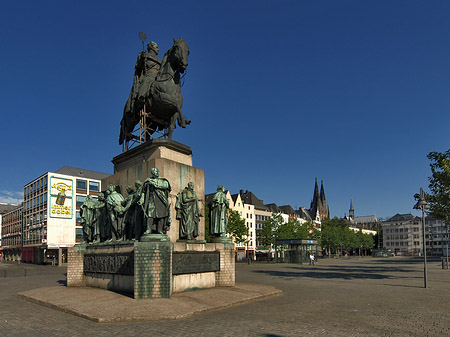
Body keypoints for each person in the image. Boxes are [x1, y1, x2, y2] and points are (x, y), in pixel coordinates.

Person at [139, 168, 171, 235]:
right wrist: (142, 200)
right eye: (153, 172)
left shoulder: (163, 180)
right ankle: (148, 229)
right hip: (151, 199)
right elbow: (143, 191)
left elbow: (166, 186)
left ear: (158, 172)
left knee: (161, 215)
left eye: (156, 172)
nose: (155, 173)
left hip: (161, 199)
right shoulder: (148, 180)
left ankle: (160, 230)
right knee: (150, 214)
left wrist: (153, 183)